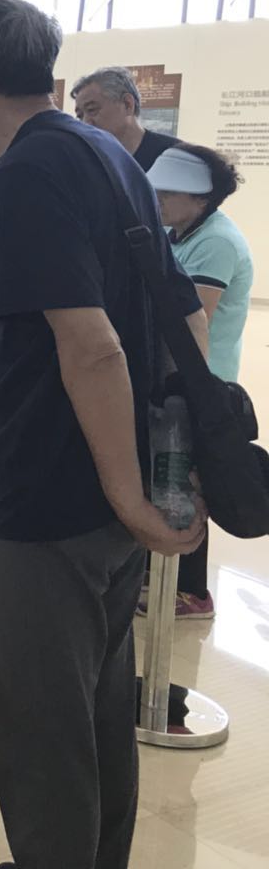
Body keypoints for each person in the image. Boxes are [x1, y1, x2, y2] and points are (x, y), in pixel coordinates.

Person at [0, 0, 206, 869]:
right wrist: (164, 471)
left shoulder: (28, 170)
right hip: (110, 484)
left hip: (54, 490)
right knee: (100, 709)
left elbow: (90, 345)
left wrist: (129, 496)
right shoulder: (109, 154)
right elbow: (182, 313)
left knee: (41, 727)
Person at [144, 145, 254, 621]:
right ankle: (159, 575)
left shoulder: (217, 242)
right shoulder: (178, 234)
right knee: (168, 475)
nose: (159, 200)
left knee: (187, 482)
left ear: (202, 198)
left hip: (201, 382)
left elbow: (194, 319)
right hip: (175, 378)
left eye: (169, 193)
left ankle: (191, 592)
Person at [71, 66, 179, 172]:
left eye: (92, 109)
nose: (85, 123)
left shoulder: (175, 158)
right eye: (80, 116)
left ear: (128, 104)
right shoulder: (86, 164)